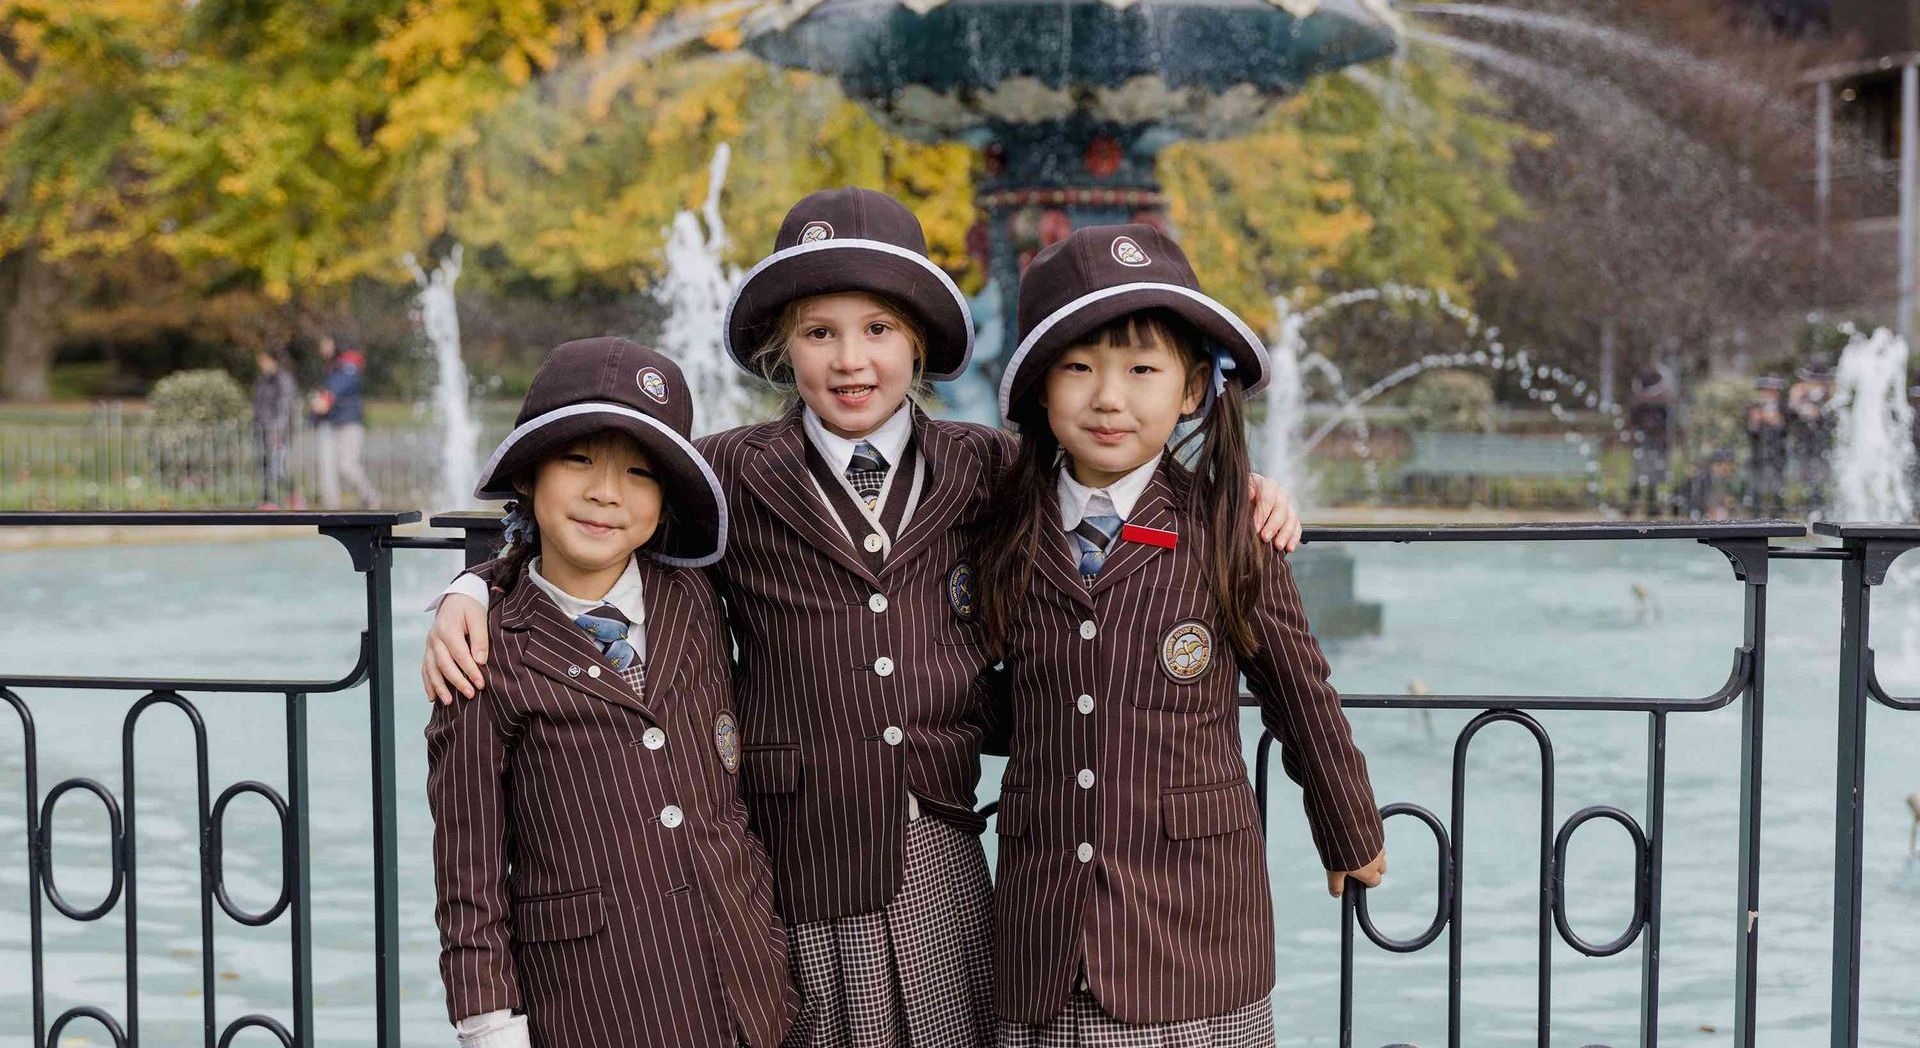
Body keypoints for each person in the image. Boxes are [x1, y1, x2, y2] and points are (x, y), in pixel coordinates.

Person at [420, 190, 1305, 1047]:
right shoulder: (729, 475)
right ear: (782, 348)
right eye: (819, 334)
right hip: (804, 843)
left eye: (879, 330)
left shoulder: (986, 467)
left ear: (917, 343)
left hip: (940, 836)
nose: (852, 361)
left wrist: (1236, 496)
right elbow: (605, 543)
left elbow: (1107, 478)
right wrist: (477, 586)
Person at [977, 225, 1385, 1046]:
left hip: (1195, 915)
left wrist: (1348, 825)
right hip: (1045, 915)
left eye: (1141, 370)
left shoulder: (1226, 524)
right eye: (1078, 367)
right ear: (1040, 389)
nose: (1108, 399)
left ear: (1193, 388)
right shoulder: (998, 520)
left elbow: (1296, 689)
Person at [426, 337, 795, 1048]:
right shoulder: (482, 655)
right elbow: (468, 872)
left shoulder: (694, 594)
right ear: (529, 476)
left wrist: (473, 579)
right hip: (596, 1004)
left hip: (744, 987)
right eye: (576, 461)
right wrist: (489, 1025)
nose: (605, 492)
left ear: (665, 502)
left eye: (637, 473)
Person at [312, 332, 381, 508]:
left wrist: (325, 400)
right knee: (329, 465)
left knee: (347, 465)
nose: (322, 348)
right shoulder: (334, 366)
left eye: (325, 344)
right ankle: (332, 505)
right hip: (335, 422)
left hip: (349, 423)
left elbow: (338, 388)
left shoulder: (348, 365)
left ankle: (370, 497)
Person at [251, 349, 297, 509]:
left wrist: (280, 430)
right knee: (265, 465)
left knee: (276, 468)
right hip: (263, 427)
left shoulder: (282, 379)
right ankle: (267, 500)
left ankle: (292, 495)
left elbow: (285, 406)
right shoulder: (264, 379)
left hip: (277, 430)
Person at [1627, 364, 1675, 518]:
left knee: (1653, 476)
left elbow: (1667, 422)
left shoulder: (1662, 403)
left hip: (1657, 441)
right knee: (1638, 473)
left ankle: (1651, 506)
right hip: (1644, 441)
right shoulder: (1640, 403)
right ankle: (1631, 504)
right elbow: (1633, 420)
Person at [1788, 359, 1835, 510]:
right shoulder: (1799, 397)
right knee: (1802, 481)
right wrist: (1796, 402)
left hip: (1823, 449)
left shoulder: (1830, 399)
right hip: (1802, 448)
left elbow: (1833, 420)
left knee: (1822, 482)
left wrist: (1819, 411)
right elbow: (1789, 417)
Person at [1745, 376, 1787, 516]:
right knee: (1756, 489)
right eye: (1765, 390)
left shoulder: (1783, 406)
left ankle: (1777, 517)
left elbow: (1782, 425)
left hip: (1777, 455)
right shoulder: (1753, 407)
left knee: (1776, 490)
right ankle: (1755, 516)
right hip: (1758, 455)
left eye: (1771, 391)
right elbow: (1752, 429)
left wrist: (1767, 417)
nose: (1768, 394)